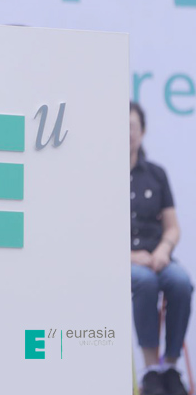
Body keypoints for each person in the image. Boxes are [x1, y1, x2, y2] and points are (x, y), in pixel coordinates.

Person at [130, 101, 193, 395]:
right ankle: (150, 370)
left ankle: (170, 366)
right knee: (144, 282)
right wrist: (131, 256)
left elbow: (172, 226)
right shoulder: (102, 176)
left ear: (142, 132)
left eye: (133, 126)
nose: (128, 133)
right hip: (127, 260)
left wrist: (163, 250)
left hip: (158, 256)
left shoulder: (156, 174)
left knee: (180, 282)